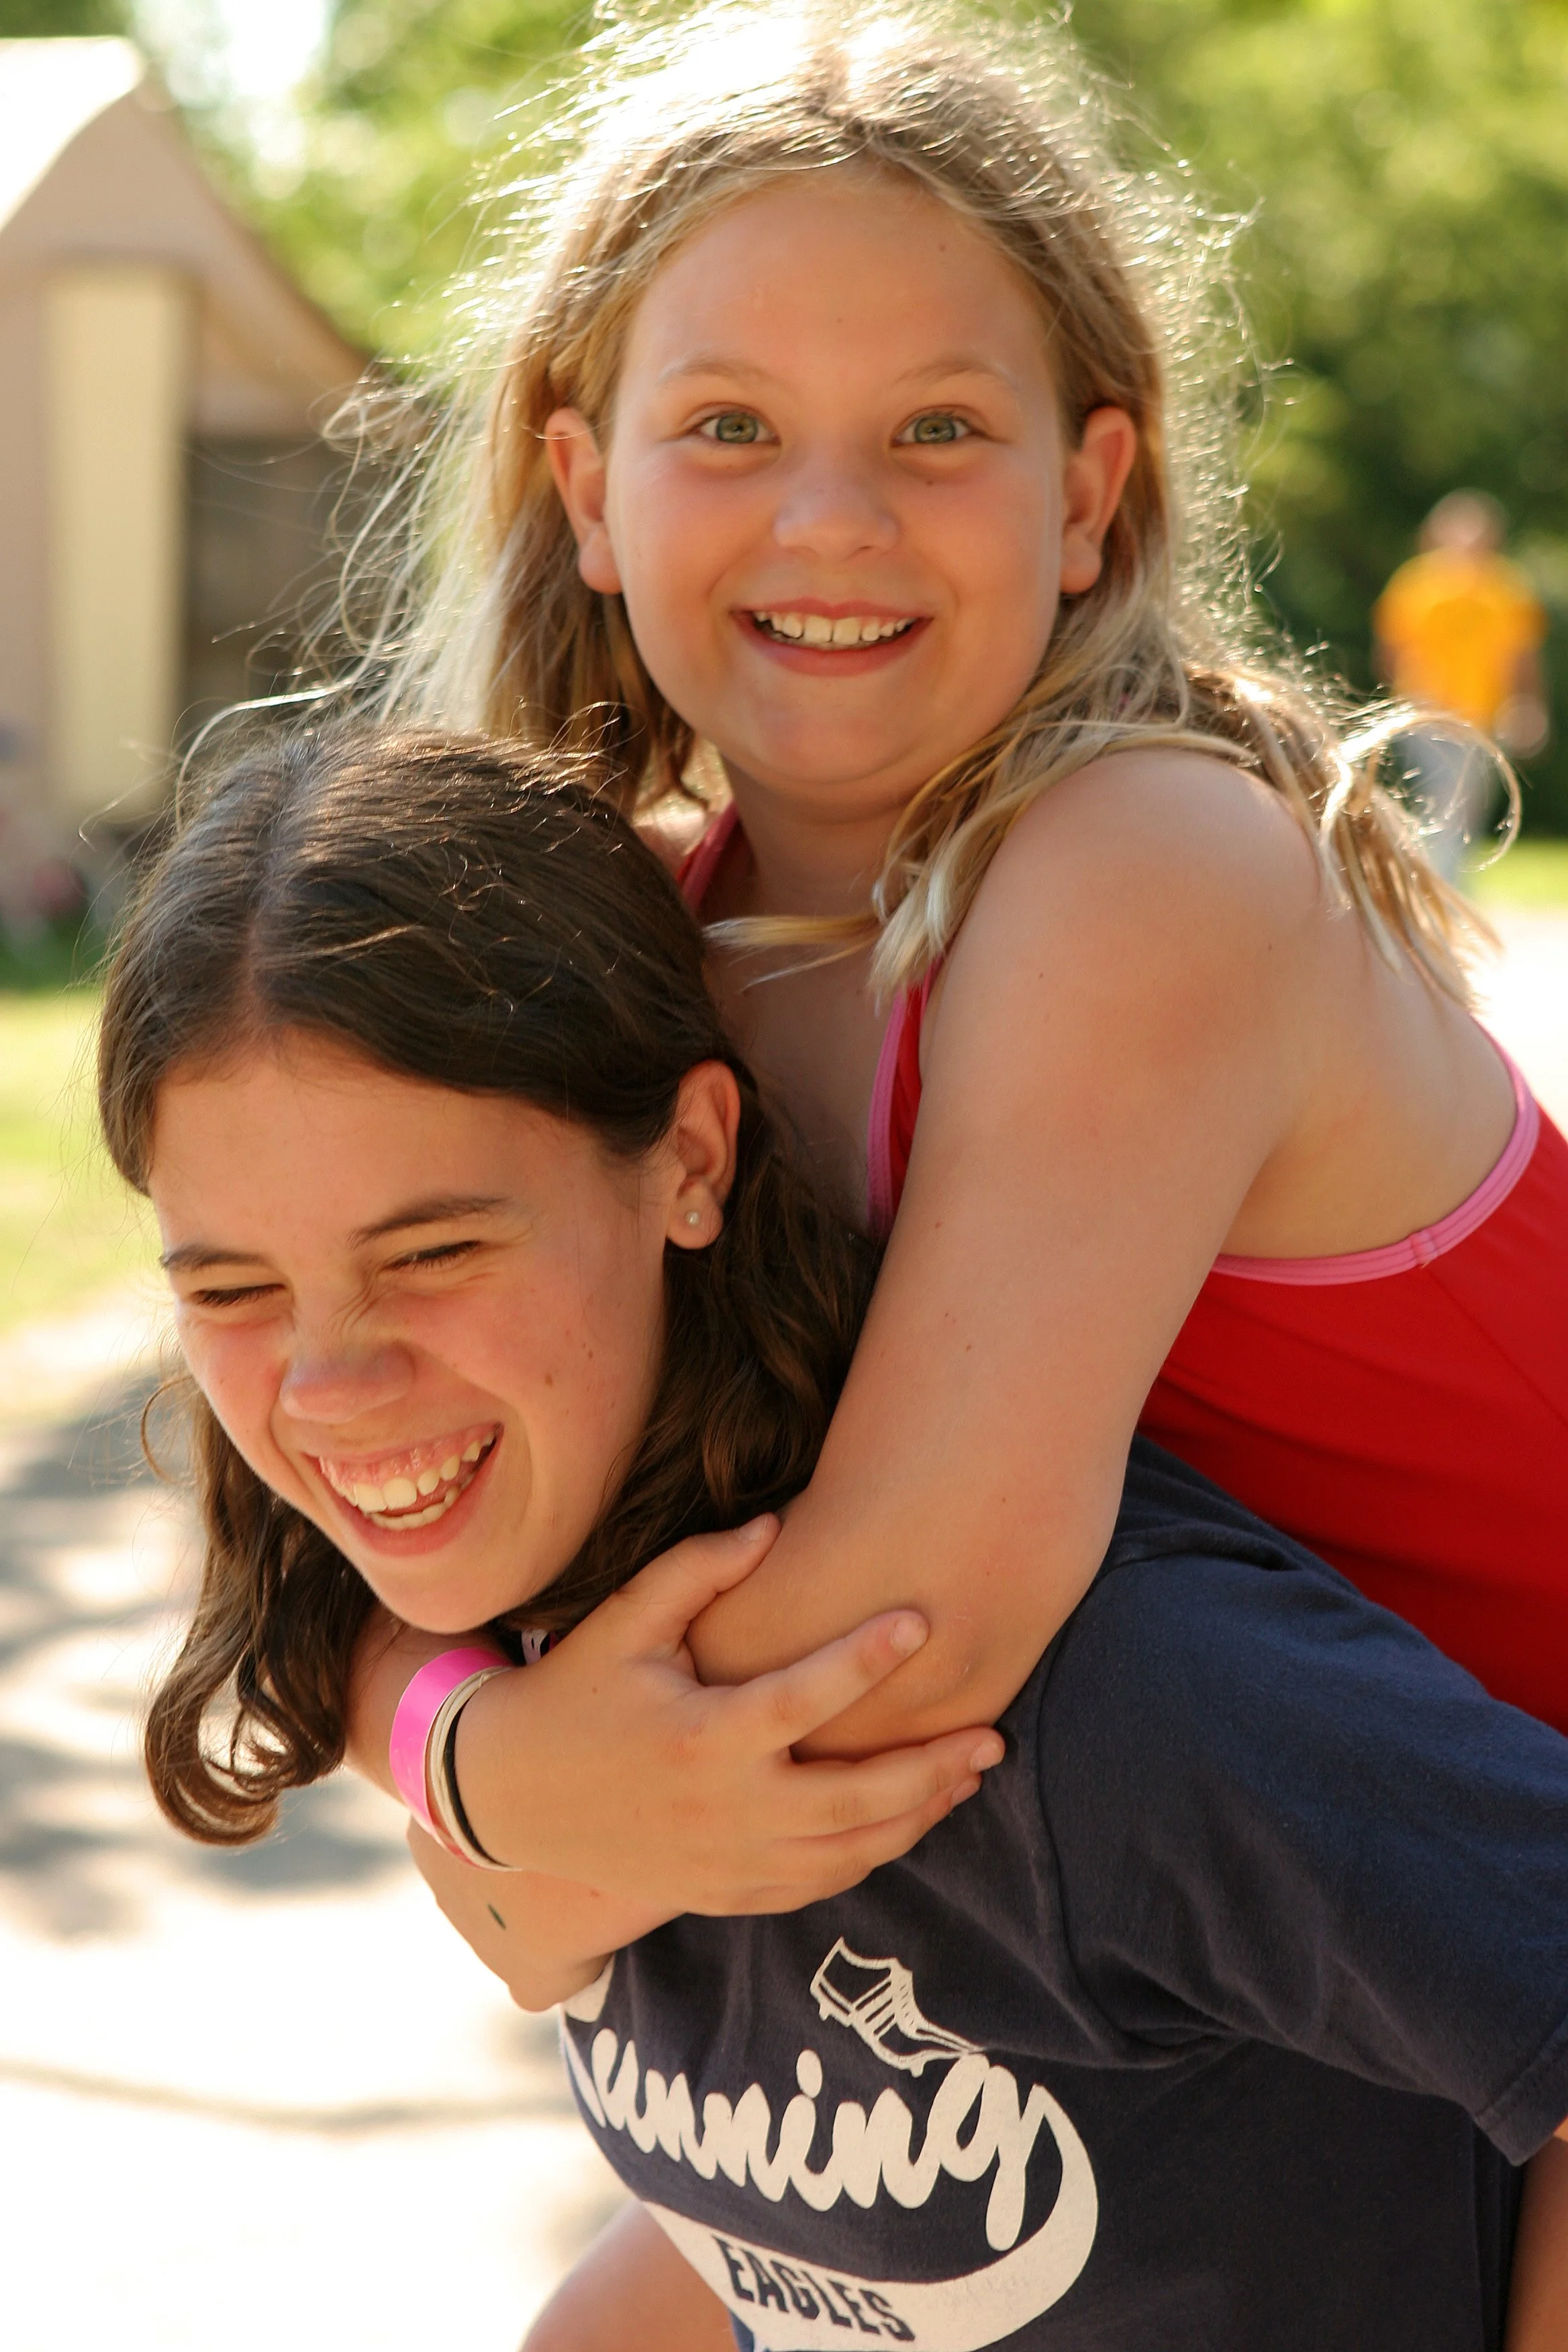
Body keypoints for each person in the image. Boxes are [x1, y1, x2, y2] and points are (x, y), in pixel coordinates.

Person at [99, 724, 1568, 2351]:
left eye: (434, 1248)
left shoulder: (1103, 1705)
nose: (331, 1384)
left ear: (691, 1159)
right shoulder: (551, 1665)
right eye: (230, 1286)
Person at [339, 0, 1568, 1904]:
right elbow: (327, 1499)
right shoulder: (639, 938)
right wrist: (471, 1763)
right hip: (1243, 1990)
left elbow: (899, 1652)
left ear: (1083, 497)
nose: (834, 517)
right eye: (730, 426)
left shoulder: (1149, 864)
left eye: (938, 428)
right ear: (587, 489)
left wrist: (521, 1825)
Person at [1374, 490, 1549, 880]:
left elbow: (1522, 658)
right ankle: (1441, 888)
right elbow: (1391, 651)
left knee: (1465, 805)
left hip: (1480, 716)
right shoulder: (1417, 586)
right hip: (1427, 715)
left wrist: (1528, 705)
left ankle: (1434, 883)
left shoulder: (1506, 589)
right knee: (1445, 798)